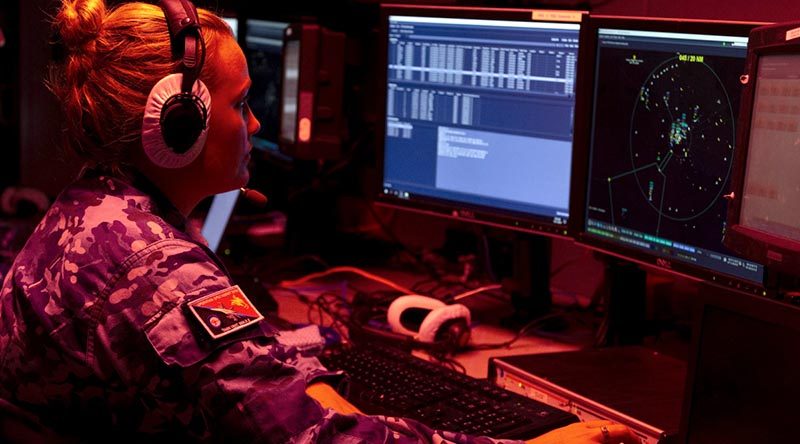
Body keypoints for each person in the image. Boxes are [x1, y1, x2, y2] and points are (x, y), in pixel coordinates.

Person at [0, 1, 640, 443]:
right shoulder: (156, 269)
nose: (253, 125)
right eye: (241, 104)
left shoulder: (92, 213)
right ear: (177, 125)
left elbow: (243, 386)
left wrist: (304, 382)